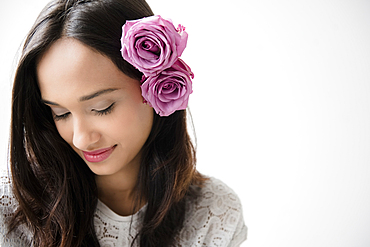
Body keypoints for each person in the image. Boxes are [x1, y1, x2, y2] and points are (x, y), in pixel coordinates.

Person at [0, 0, 247, 246]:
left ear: (157, 87)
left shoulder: (214, 214)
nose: (81, 138)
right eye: (60, 113)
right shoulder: (11, 207)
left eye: (101, 108)